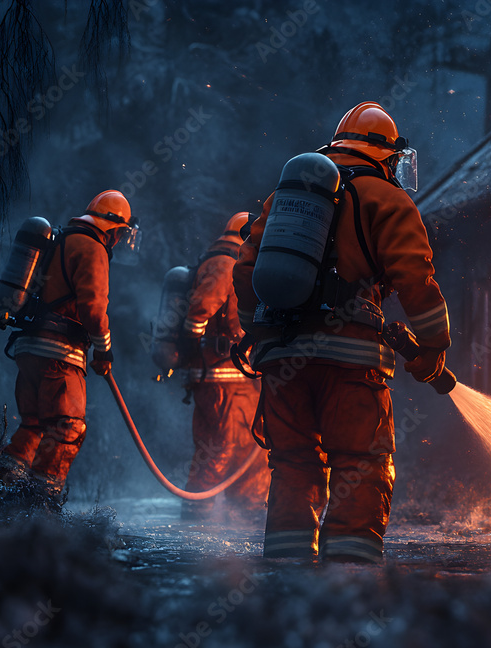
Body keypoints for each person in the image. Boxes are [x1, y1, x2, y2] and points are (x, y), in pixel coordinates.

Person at [232, 102, 450, 563]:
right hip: (351, 363)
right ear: (386, 155)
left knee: (292, 465)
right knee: (360, 465)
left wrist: (260, 334)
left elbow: (246, 269)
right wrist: (433, 345)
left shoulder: (288, 198)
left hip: (282, 361)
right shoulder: (387, 199)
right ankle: (349, 589)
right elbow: (415, 278)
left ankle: (284, 585)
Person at [0, 190, 140, 501]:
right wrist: (104, 350)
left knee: (33, 427)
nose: (118, 240)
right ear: (114, 228)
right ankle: (40, 508)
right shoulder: (92, 248)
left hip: (29, 348)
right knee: (66, 429)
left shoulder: (60, 239)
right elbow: (93, 309)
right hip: (60, 356)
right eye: (120, 233)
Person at [177, 212, 269, 521]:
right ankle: (195, 519)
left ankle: (246, 517)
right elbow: (202, 306)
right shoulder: (225, 262)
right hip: (222, 378)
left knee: (249, 450)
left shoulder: (236, 260)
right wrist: (193, 341)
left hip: (239, 379)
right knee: (219, 449)